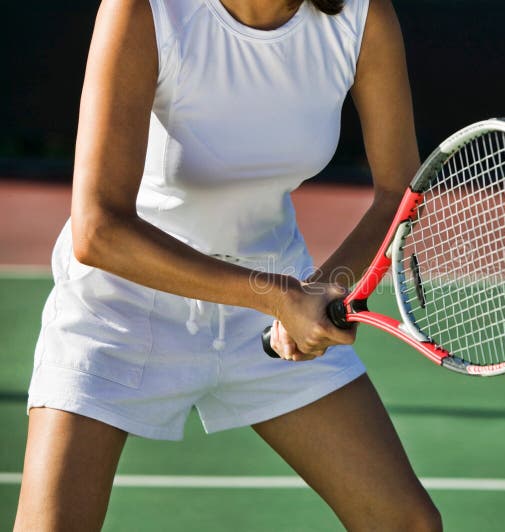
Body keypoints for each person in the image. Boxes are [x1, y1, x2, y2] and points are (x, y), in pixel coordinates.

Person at [13, 0, 442, 529]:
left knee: (407, 525)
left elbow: (398, 192)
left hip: (269, 301)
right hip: (120, 307)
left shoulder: (362, 16)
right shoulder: (144, 10)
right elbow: (99, 231)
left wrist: (322, 289)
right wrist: (280, 296)